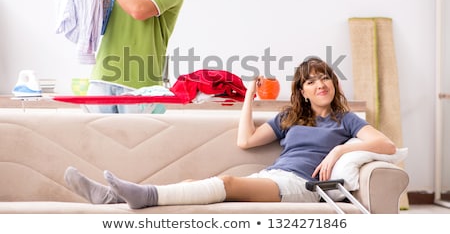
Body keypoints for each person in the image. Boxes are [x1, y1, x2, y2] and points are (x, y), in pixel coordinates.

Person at [64, 57, 396, 208]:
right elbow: (246, 140)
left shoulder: (345, 119)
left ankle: (141, 196)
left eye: (325, 78)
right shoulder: (291, 116)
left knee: (225, 183)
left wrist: (339, 151)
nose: (319, 84)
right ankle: (111, 197)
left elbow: (387, 145)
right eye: (311, 81)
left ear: (333, 85)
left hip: (303, 186)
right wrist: (249, 98)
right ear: (303, 91)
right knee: (192, 186)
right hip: (275, 176)